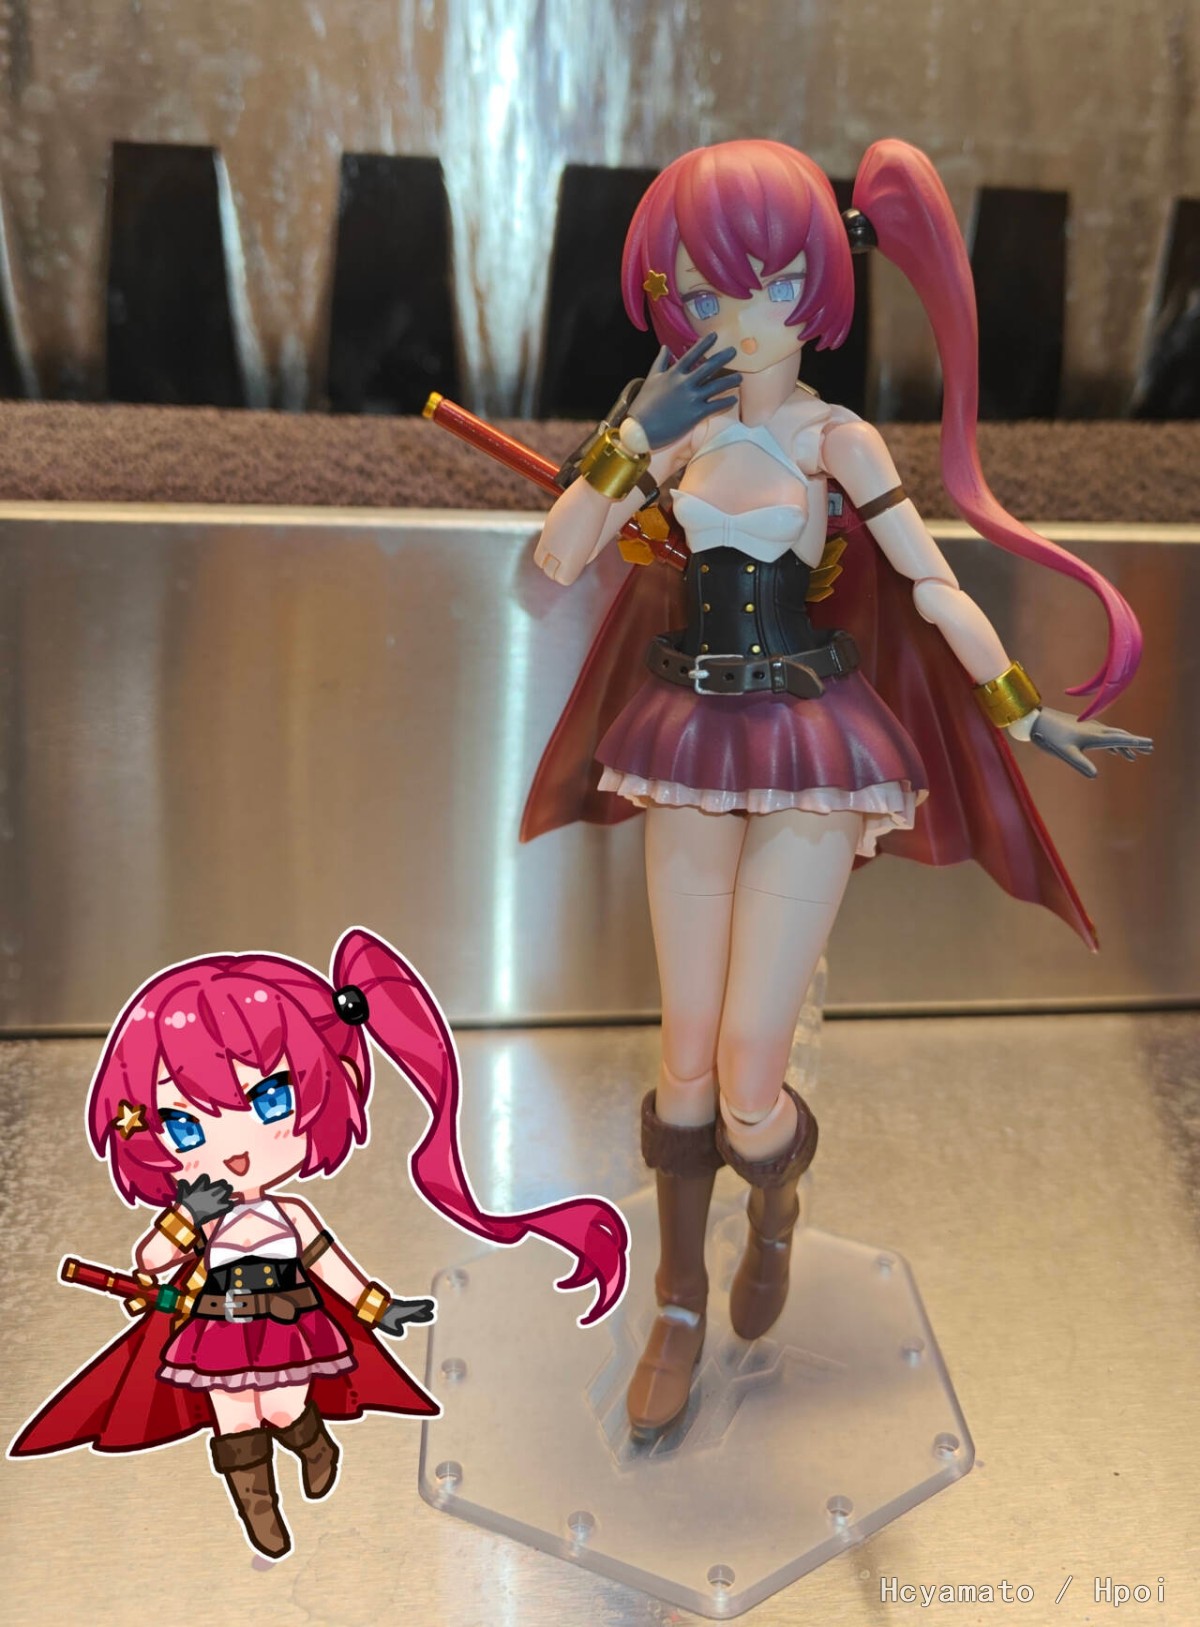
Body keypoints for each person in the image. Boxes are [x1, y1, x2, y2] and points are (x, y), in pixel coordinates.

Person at [523, 139, 1150, 1437]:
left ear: (814, 288)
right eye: (699, 290)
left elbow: (931, 583)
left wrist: (1023, 707)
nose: (729, 317)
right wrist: (632, 437)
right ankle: (678, 1297)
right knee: (682, 1057)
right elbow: (557, 557)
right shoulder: (677, 428)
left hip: (810, 743)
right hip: (687, 737)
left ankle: (777, 1198)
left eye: (759, 284)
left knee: (751, 1073)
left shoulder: (836, 437)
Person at [11, 926, 628, 1555]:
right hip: (217, 1327)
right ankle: (259, 1509)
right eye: (184, 1124)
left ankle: (313, 1445)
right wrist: (188, 1217)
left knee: (282, 1408)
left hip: (288, 1323)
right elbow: (149, 1261)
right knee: (235, 1418)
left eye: (270, 1099)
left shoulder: (291, 1214)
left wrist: (378, 1307)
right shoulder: (206, 1217)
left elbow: (329, 1263)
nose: (236, 1147)